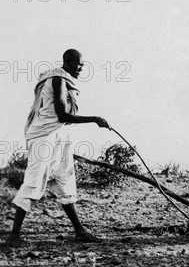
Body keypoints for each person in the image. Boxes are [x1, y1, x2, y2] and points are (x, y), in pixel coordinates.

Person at [6, 49, 111, 246]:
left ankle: (80, 231)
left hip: (57, 135)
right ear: (68, 62)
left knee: (64, 178)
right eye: (79, 64)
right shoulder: (58, 80)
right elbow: (62, 115)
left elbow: (60, 120)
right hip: (44, 136)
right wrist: (94, 119)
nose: (81, 68)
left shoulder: (63, 79)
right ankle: (14, 235)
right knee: (34, 182)